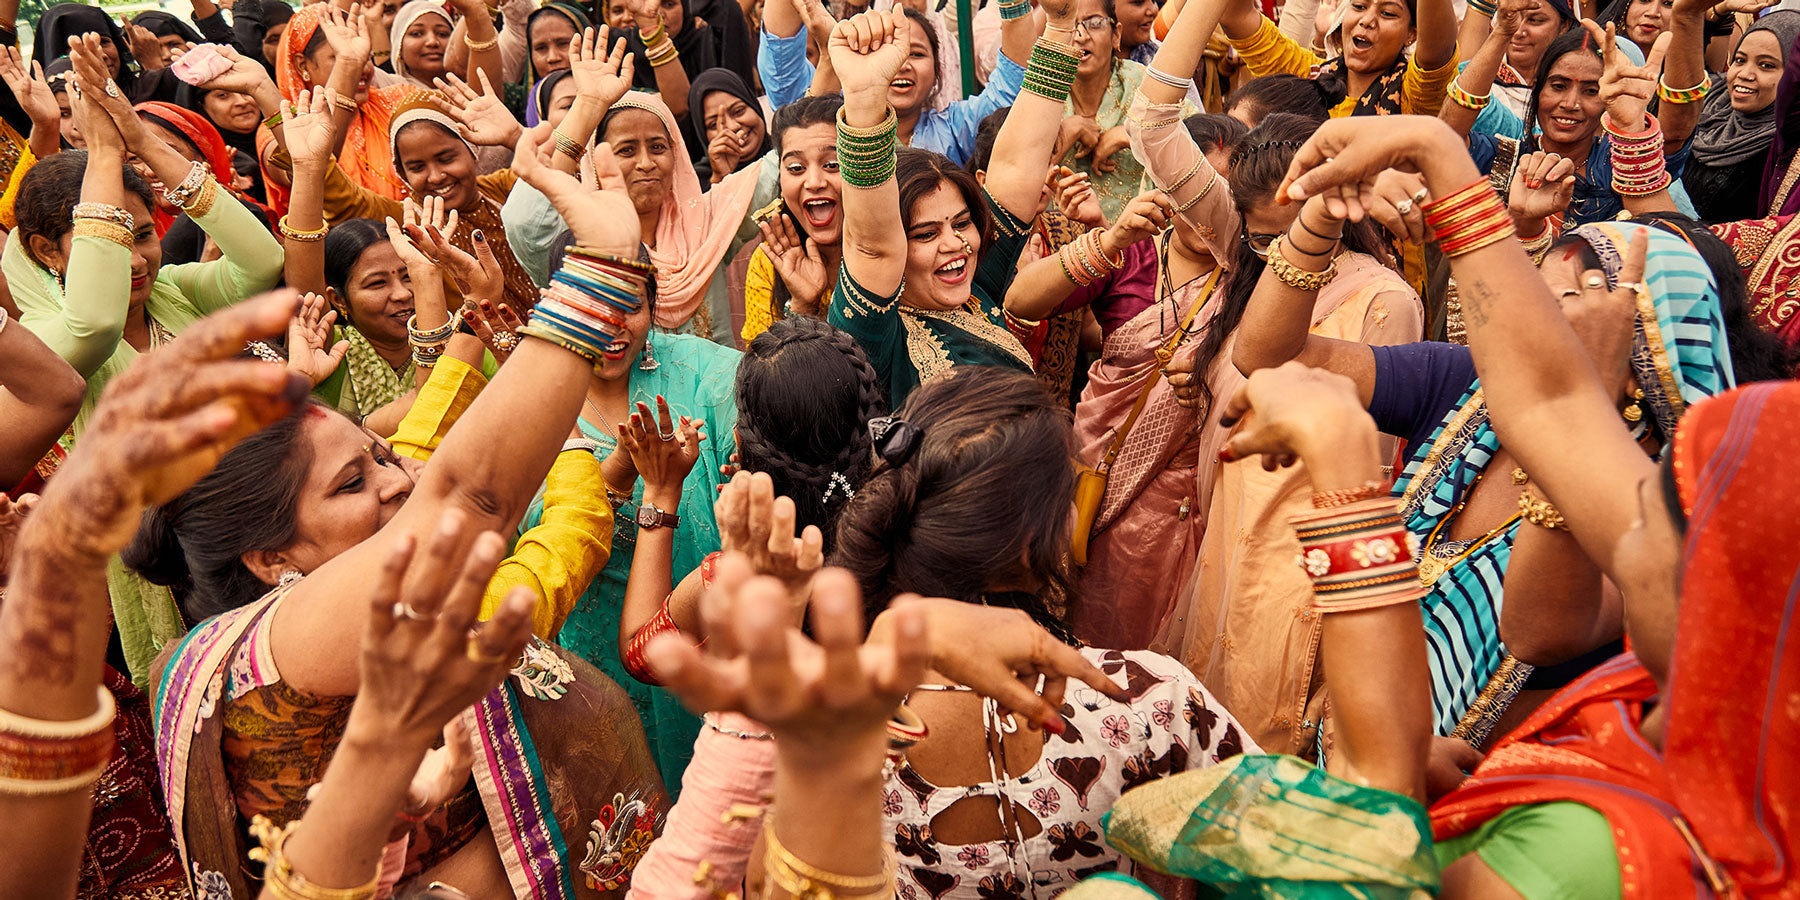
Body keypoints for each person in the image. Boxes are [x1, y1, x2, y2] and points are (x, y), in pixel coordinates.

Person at [131, 124, 669, 899]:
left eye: (374, 457)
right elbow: (468, 494)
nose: (399, 483)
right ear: (269, 559)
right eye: (352, 484)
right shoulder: (296, 642)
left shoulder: (302, 617)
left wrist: (449, 340)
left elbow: (420, 456)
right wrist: (603, 270)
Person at [823, 365, 1255, 895]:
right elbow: (1306, 847)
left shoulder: (835, 733)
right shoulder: (1144, 701)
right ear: (1033, 542)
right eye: (1069, 491)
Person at [825, 7, 1073, 404]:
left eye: (961, 223)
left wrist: (1061, 26)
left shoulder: (975, 290)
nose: (956, 243)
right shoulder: (874, 334)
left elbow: (1015, 167)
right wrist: (865, 98)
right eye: (926, 233)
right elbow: (873, 245)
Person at [503, 88, 779, 343]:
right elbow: (524, 221)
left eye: (658, 147)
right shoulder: (579, 245)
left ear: (676, 153)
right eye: (627, 150)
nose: (646, 163)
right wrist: (586, 108)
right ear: (596, 162)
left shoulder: (709, 221)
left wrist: (821, 65)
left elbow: (786, 166)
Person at [759, 0, 1039, 167]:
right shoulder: (832, 123)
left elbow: (1012, 86)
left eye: (916, 54)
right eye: (884, 52)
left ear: (938, 72)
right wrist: (830, 57)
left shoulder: (955, 129)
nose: (901, 64)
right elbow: (783, 71)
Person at [1216, 0, 1459, 117]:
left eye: (1387, 13)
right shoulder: (1306, 76)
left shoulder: (1412, 95)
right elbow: (1234, 15)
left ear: (1411, 34)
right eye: (1359, 6)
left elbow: (1436, 53)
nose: (1366, 20)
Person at [733, 94, 845, 344]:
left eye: (832, 164)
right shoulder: (769, 261)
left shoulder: (893, 243)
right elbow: (762, 371)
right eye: (796, 168)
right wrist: (803, 307)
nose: (814, 182)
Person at [1683, 11, 1800, 222]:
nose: (1745, 74)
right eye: (1739, 60)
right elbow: (1685, 77)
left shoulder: (1786, 151)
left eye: (1766, 65)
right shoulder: (1710, 105)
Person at [30, 3, 181, 105]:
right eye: (82, 47)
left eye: (104, 42)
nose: (101, 54)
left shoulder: (141, 89)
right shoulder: (49, 115)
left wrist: (152, 65)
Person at [688, 67, 771, 184]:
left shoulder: (789, 154)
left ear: (754, 105)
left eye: (738, 111)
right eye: (713, 124)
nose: (732, 127)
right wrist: (720, 179)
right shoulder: (694, 186)